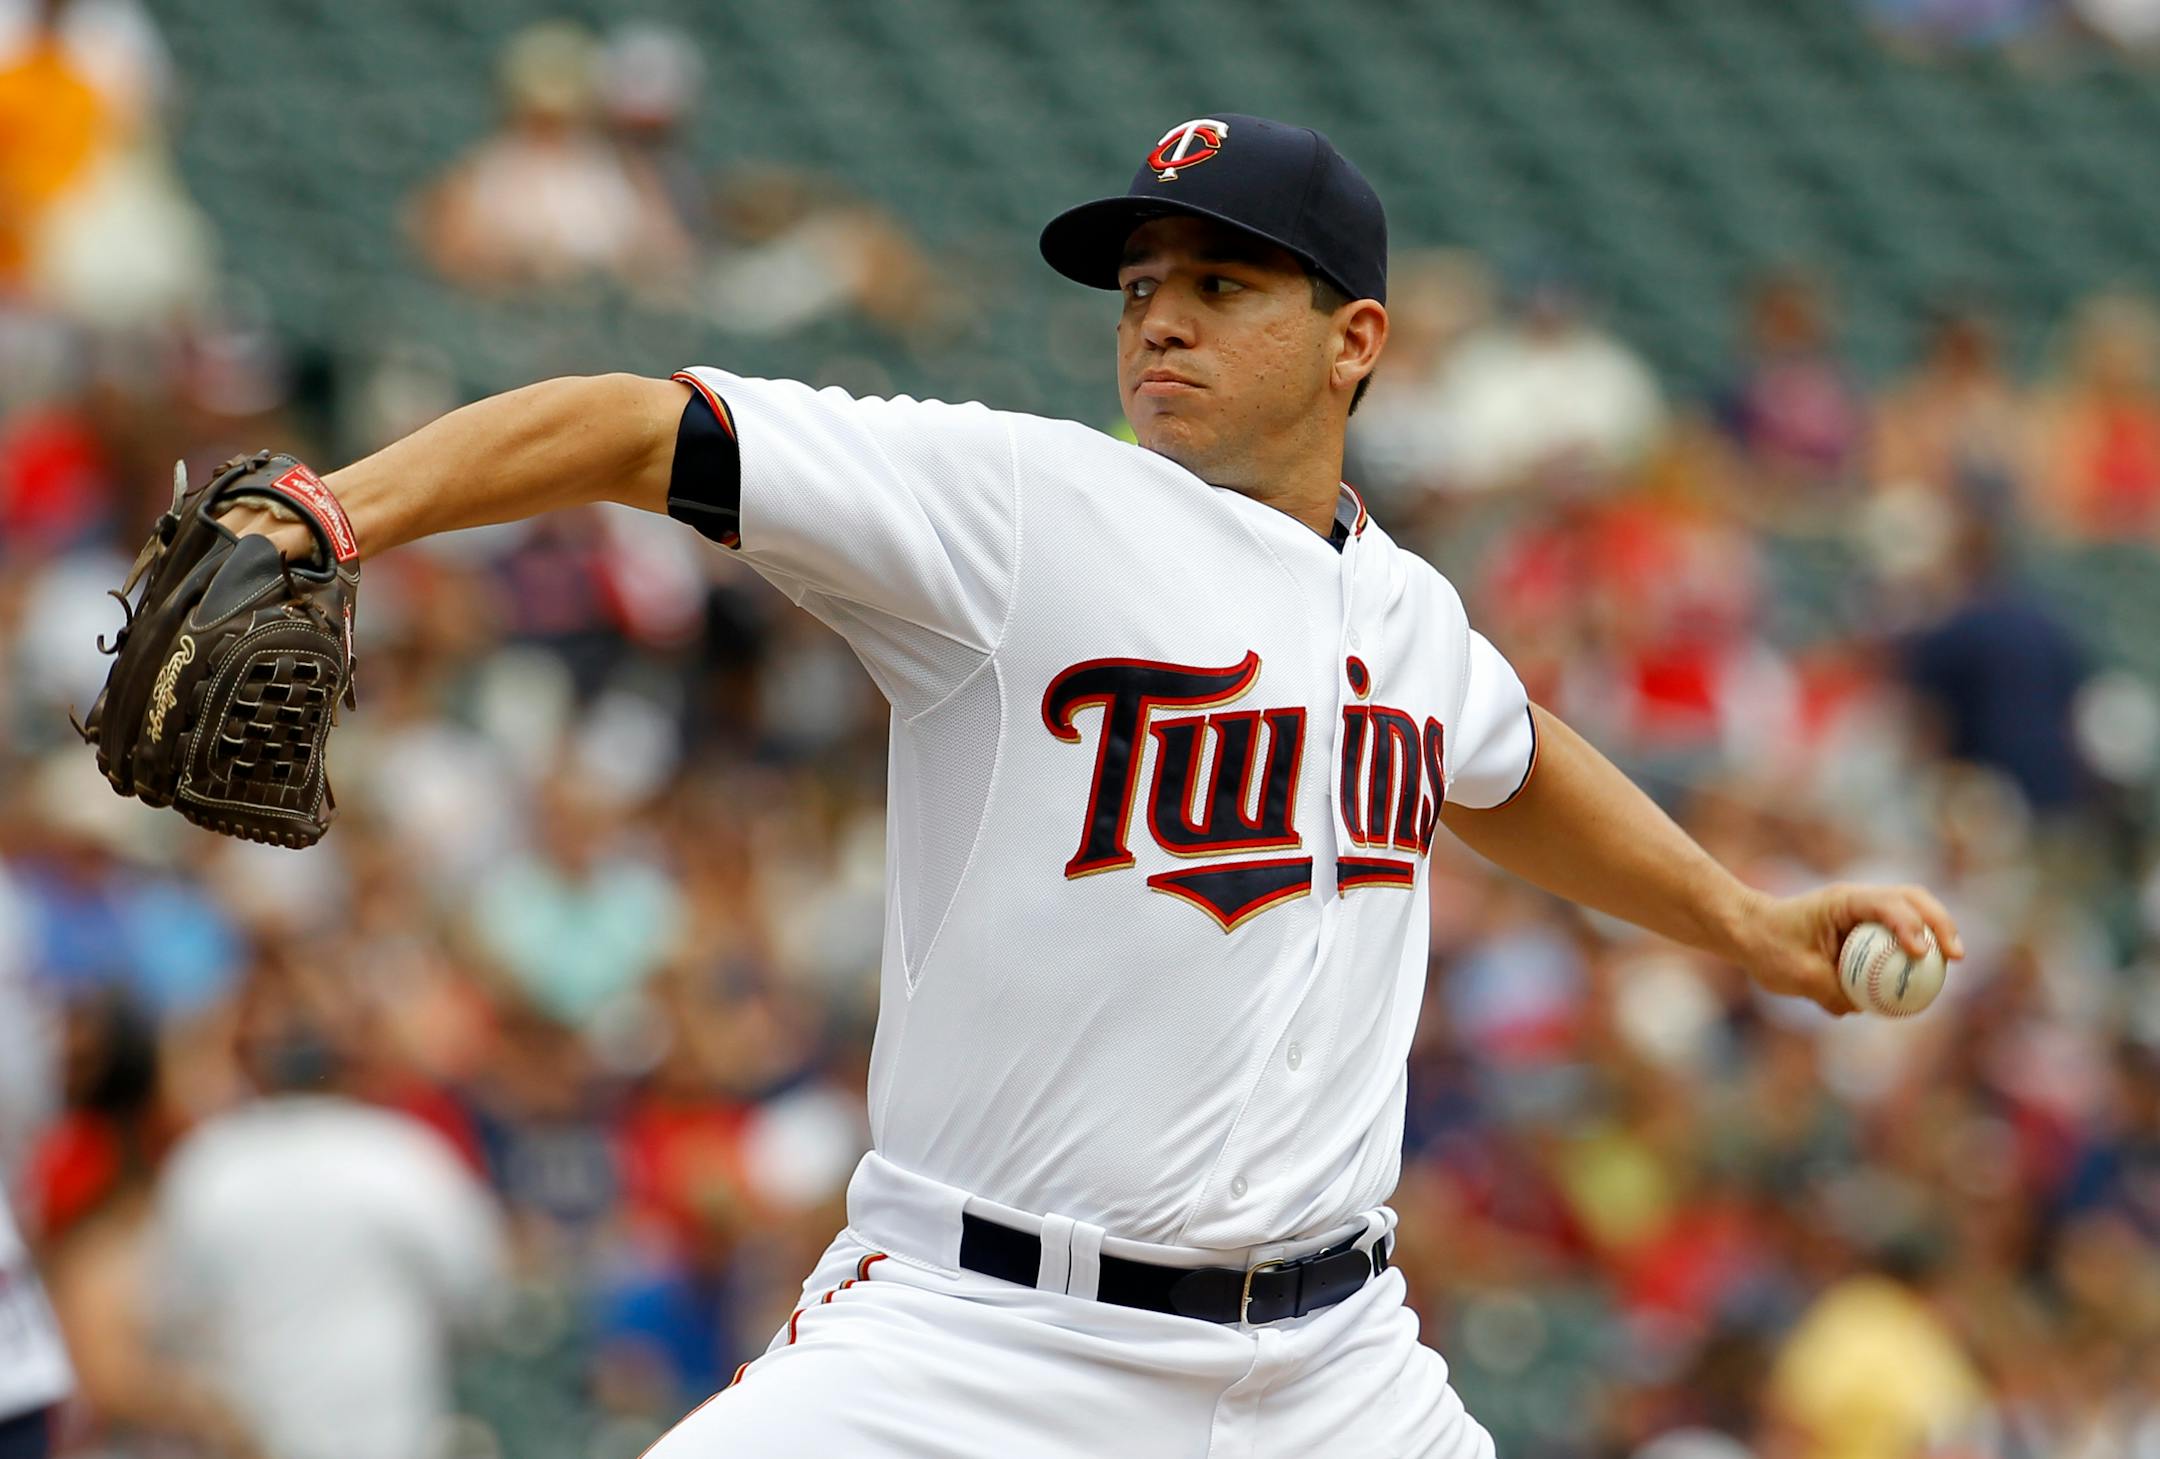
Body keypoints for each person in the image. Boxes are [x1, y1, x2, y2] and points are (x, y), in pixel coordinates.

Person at [223, 114, 1963, 1458]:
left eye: (1221, 286)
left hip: (1331, 1367)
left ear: (1355, 337)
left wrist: (1742, 919)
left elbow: (1495, 762)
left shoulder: (1410, 610)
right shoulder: (1023, 508)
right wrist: (335, 509)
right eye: (1142, 291)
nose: (1161, 325)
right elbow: (630, 424)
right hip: (983, 1342)